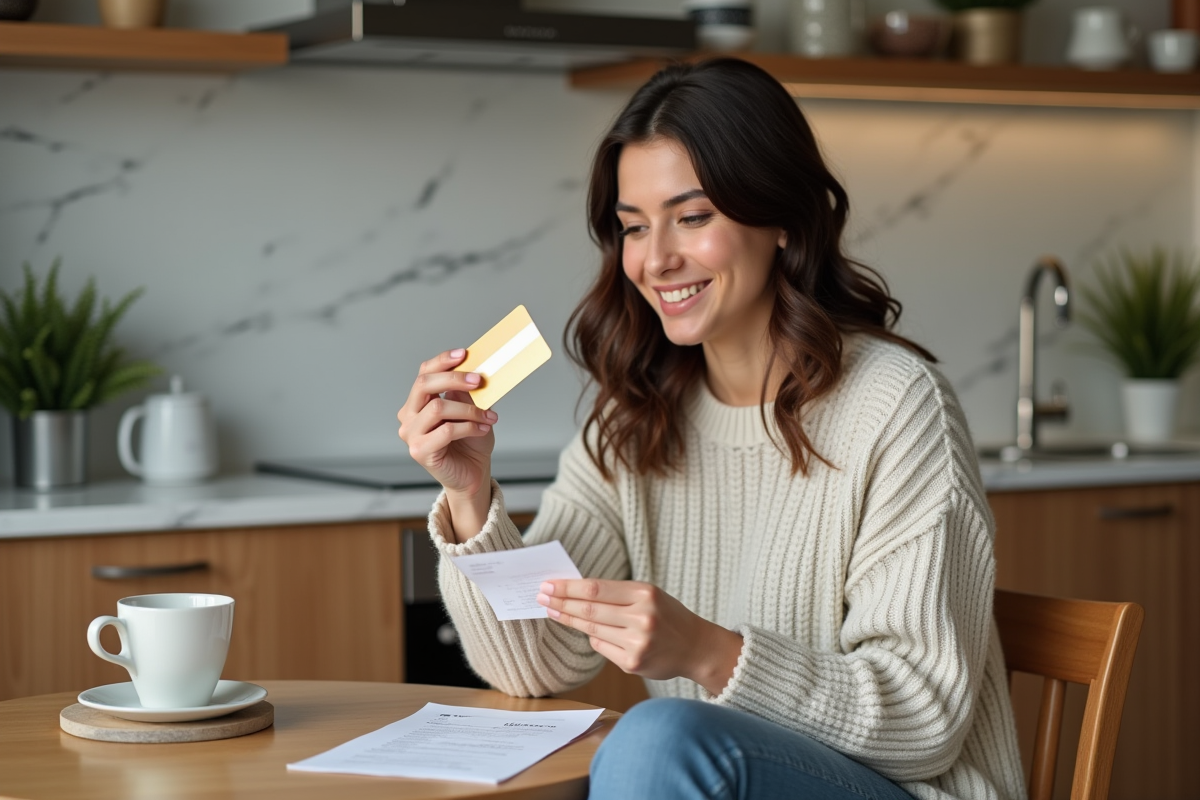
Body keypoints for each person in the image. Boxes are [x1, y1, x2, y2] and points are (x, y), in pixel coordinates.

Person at [397, 58, 1025, 800]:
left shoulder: (895, 405)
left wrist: (708, 653)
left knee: (655, 740)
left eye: (692, 218)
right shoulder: (636, 416)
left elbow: (924, 719)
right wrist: (470, 496)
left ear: (782, 220)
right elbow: (538, 663)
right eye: (634, 227)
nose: (656, 259)